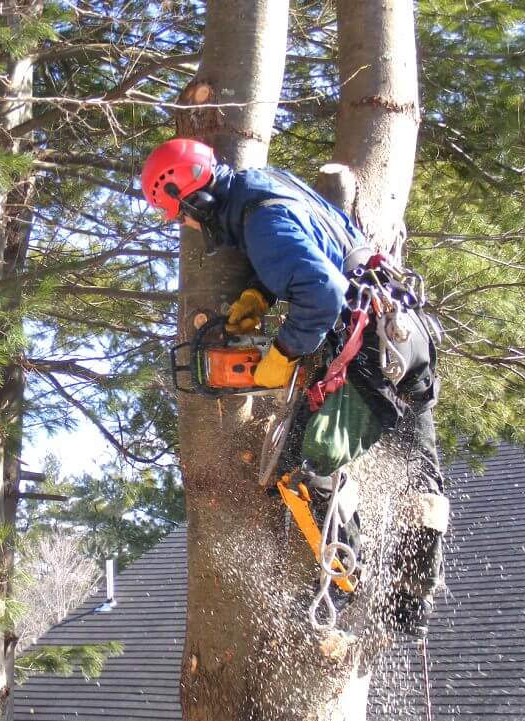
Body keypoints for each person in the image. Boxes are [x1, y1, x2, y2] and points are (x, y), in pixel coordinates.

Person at [142, 138, 449, 638]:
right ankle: (411, 599)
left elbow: (322, 293)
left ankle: (352, 588)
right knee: (420, 472)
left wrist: (283, 353)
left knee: (304, 466)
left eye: (180, 213)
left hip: (370, 348)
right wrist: (260, 292)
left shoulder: (258, 222)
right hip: (402, 333)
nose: (186, 225)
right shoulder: (266, 188)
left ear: (194, 198)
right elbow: (310, 247)